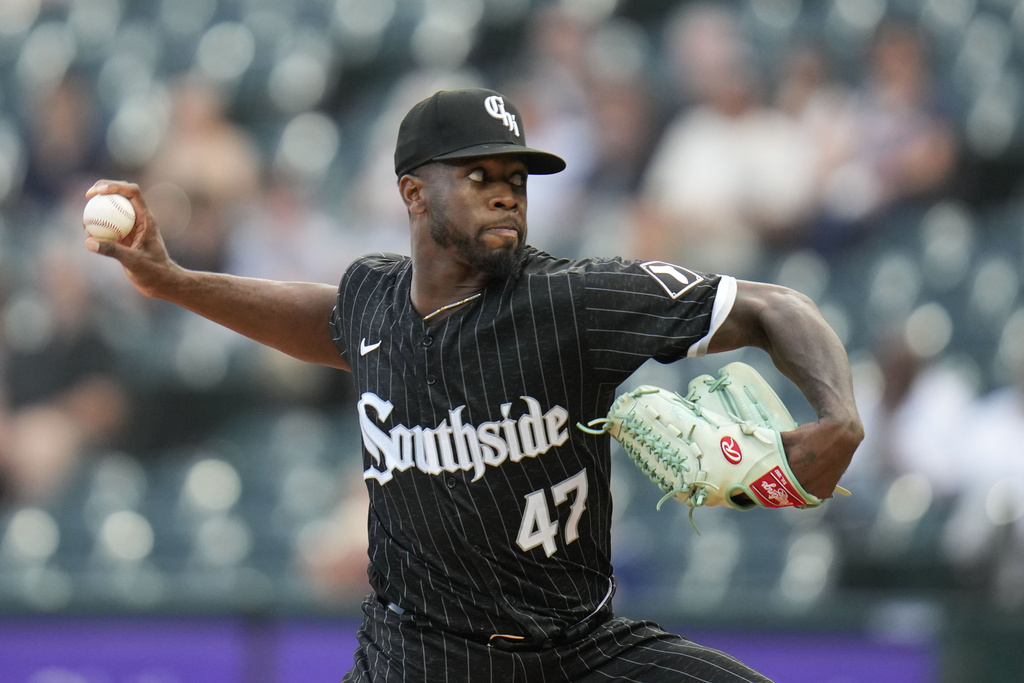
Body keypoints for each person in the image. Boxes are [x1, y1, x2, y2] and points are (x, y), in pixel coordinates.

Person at [83, 88, 863, 682]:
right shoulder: (372, 297)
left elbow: (773, 306)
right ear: (414, 193)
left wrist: (839, 419)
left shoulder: (572, 300)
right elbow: (322, 320)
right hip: (417, 656)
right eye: (480, 174)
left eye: (517, 178)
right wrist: (175, 282)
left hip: (578, 648)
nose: (507, 193)